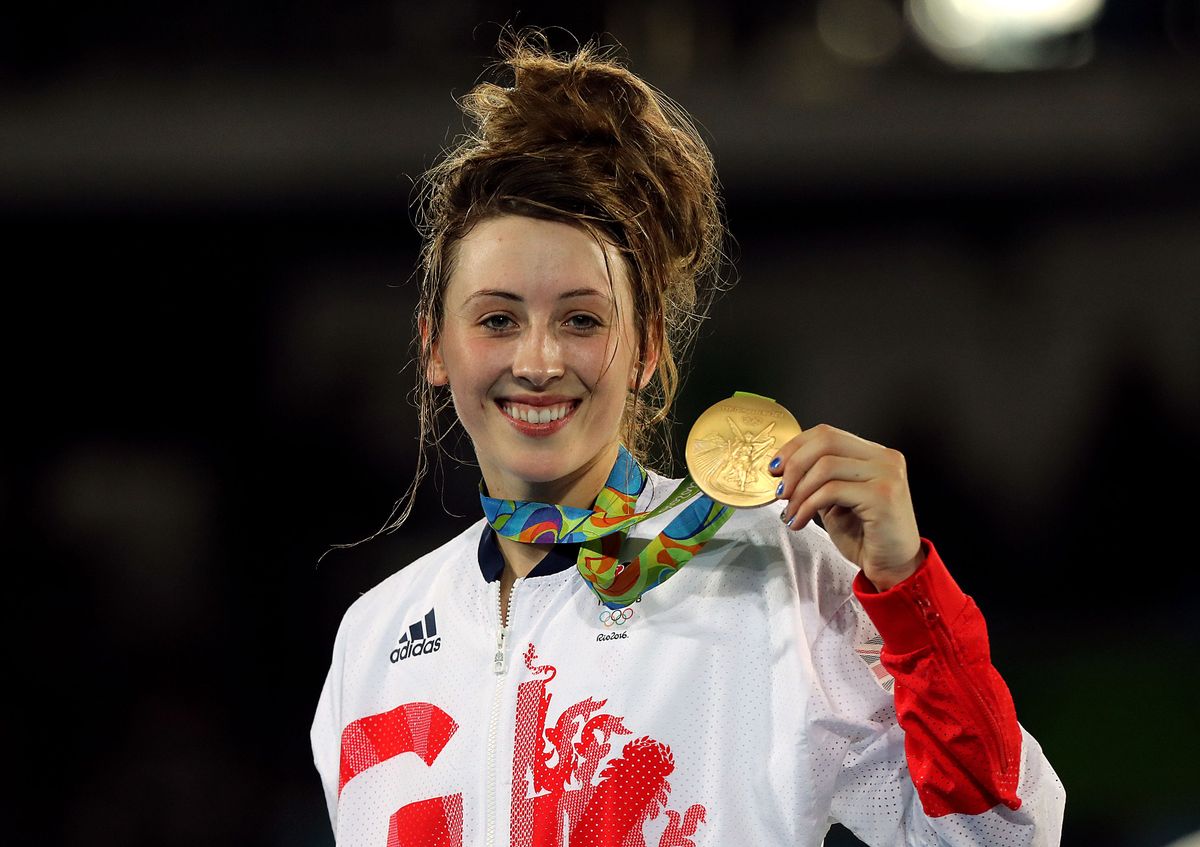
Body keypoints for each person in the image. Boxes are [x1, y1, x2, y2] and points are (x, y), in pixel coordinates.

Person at [310, 32, 1066, 847]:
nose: (537, 361)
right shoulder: (378, 636)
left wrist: (909, 592)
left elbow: (1002, 837)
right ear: (434, 346)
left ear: (646, 349)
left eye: (581, 320)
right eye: (497, 319)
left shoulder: (771, 576)